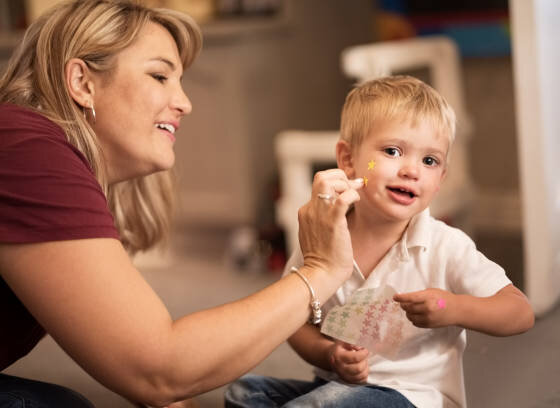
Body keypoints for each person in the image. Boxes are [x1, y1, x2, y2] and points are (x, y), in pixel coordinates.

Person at [0, 1, 364, 407]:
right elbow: (159, 368)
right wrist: (320, 271)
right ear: (82, 82)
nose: (184, 103)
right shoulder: (25, 147)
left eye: (181, 81)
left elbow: (132, 348)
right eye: (159, 76)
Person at [224, 75, 535, 408]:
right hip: (336, 388)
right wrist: (329, 354)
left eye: (429, 161)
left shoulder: (446, 246)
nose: (412, 170)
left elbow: (519, 312)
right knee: (244, 392)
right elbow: (293, 322)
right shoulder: (324, 235)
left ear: (440, 178)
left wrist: (451, 307)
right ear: (348, 159)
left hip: (412, 397)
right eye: (392, 151)